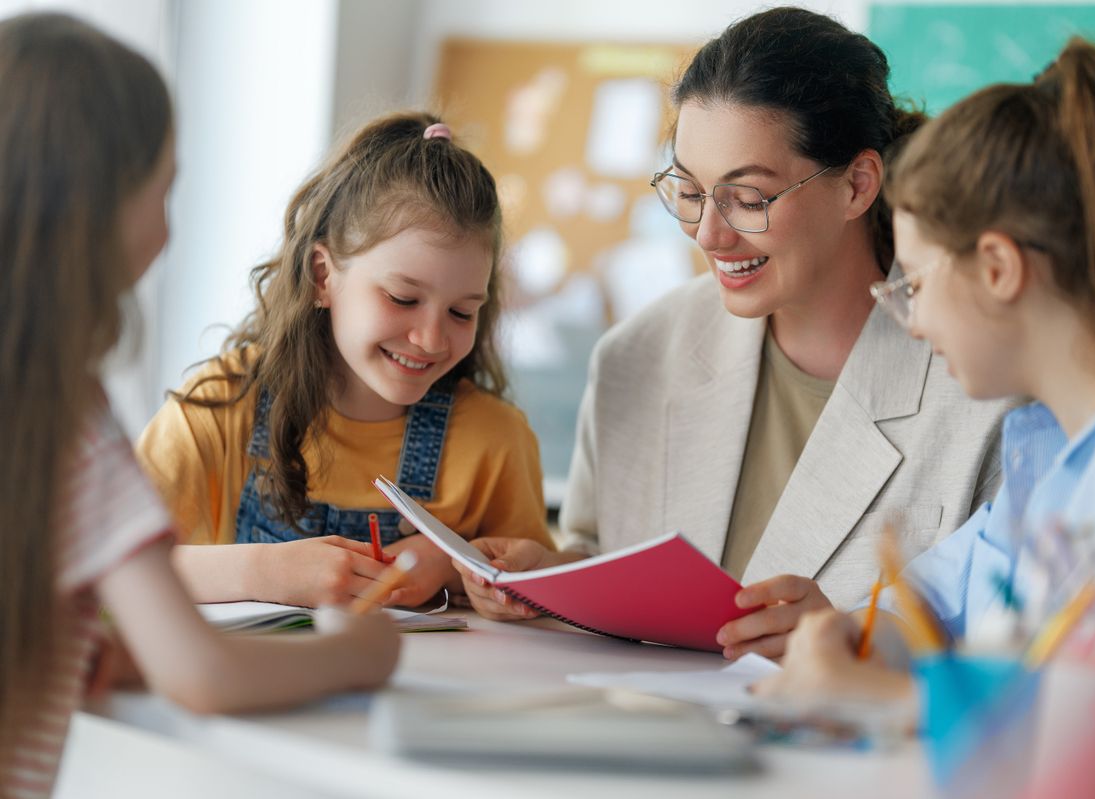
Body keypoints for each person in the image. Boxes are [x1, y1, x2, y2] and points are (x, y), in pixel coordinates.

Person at [456, 6, 1009, 660]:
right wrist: (547, 573)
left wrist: (864, 638)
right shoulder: (637, 356)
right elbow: (601, 559)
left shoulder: (983, 390)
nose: (709, 235)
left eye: (748, 198)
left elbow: (1015, 649)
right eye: (690, 191)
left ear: (858, 184)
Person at [0, 14, 399, 796]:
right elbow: (202, 670)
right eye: (166, 187)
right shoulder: (62, 415)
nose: (170, 225)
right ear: (98, 209)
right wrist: (363, 653)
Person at [758, 38, 1095, 702]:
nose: (913, 322)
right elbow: (939, 594)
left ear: (997, 269)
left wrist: (882, 698)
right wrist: (854, 632)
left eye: (914, 285)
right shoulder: (1053, 450)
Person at [136, 110, 554, 610]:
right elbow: (96, 575)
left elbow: (542, 587)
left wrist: (458, 568)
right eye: (402, 298)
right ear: (322, 276)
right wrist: (260, 571)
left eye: (463, 312)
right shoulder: (219, 408)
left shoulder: (496, 441)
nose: (430, 338)